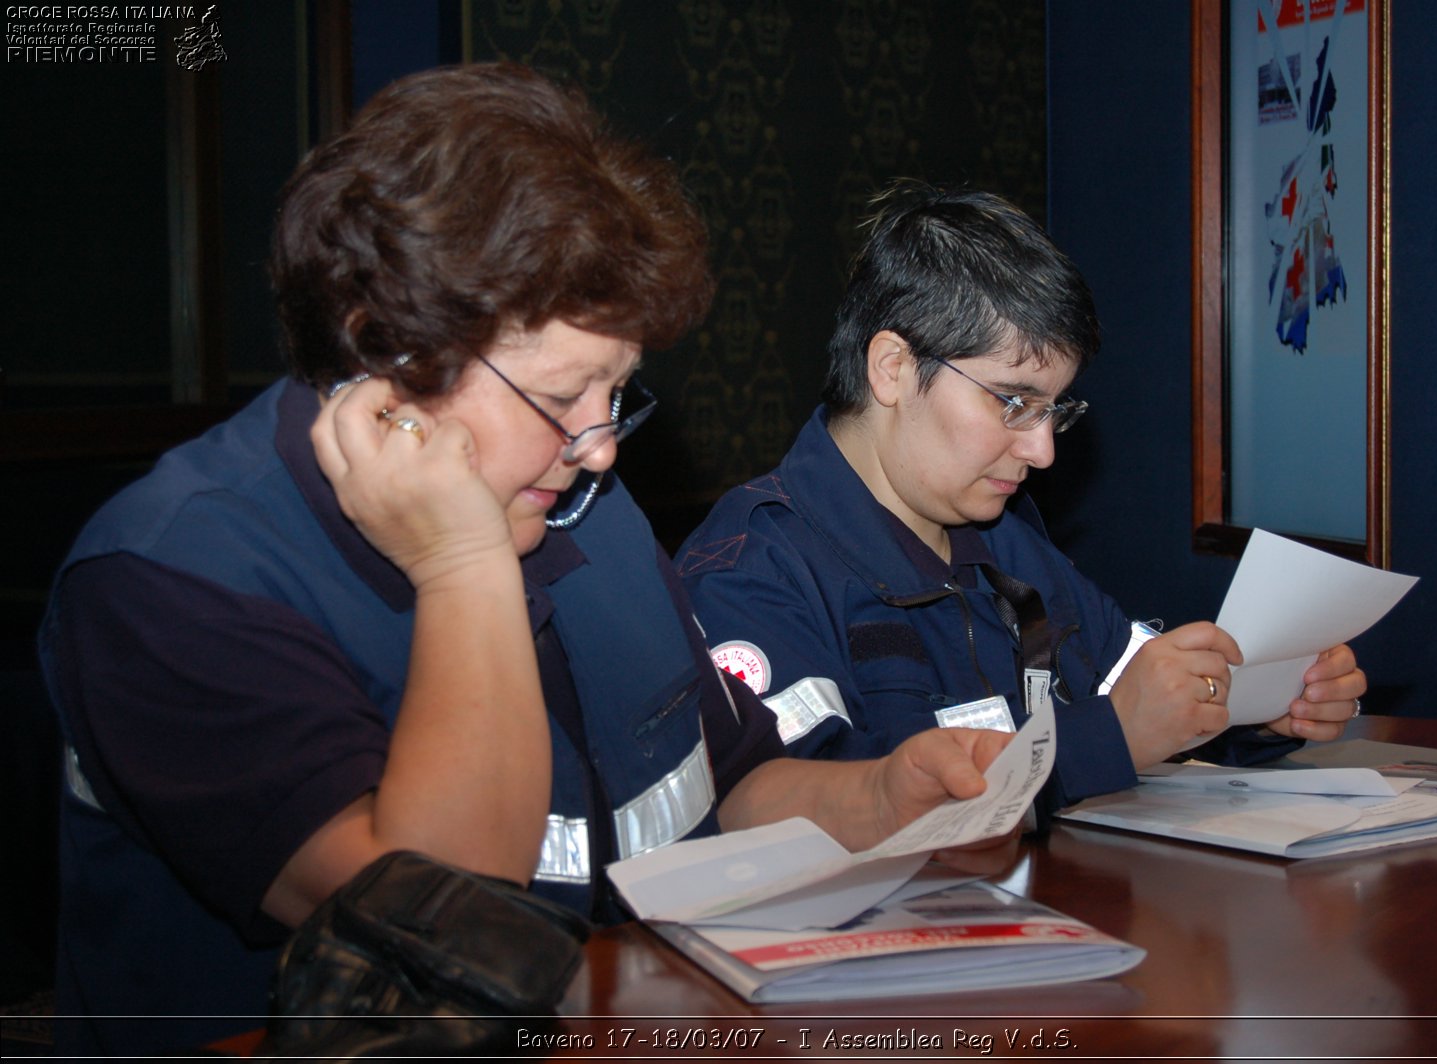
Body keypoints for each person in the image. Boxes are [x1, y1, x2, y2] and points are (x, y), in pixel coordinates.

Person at [37, 69, 1013, 1057]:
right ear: (383, 352)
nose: (599, 447)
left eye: (616, 393)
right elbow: (442, 937)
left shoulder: (580, 499)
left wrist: (879, 799)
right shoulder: (169, 583)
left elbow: (733, 783)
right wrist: (466, 567)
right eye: (561, 397)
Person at [676, 182, 1366, 812]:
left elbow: (1127, 685)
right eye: (1013, 402)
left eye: (1054, 411)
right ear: (892, 369)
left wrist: (1246, 707)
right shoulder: (752, 571)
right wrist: (1112, 736)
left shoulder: (1006, 541)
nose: (1043, 452)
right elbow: (817, 817)